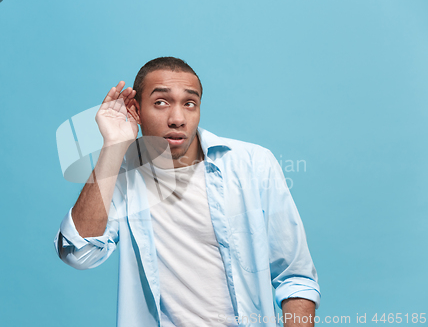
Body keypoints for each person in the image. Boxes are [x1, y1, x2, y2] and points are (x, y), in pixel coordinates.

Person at [54, 57, 321, 327]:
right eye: (161, 102)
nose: (178, 119)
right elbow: (79, 253)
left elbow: (295, 278)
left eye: (189, 104)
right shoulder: (122, 176)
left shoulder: (254, 164)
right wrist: (112, 145)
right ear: (135, 109)